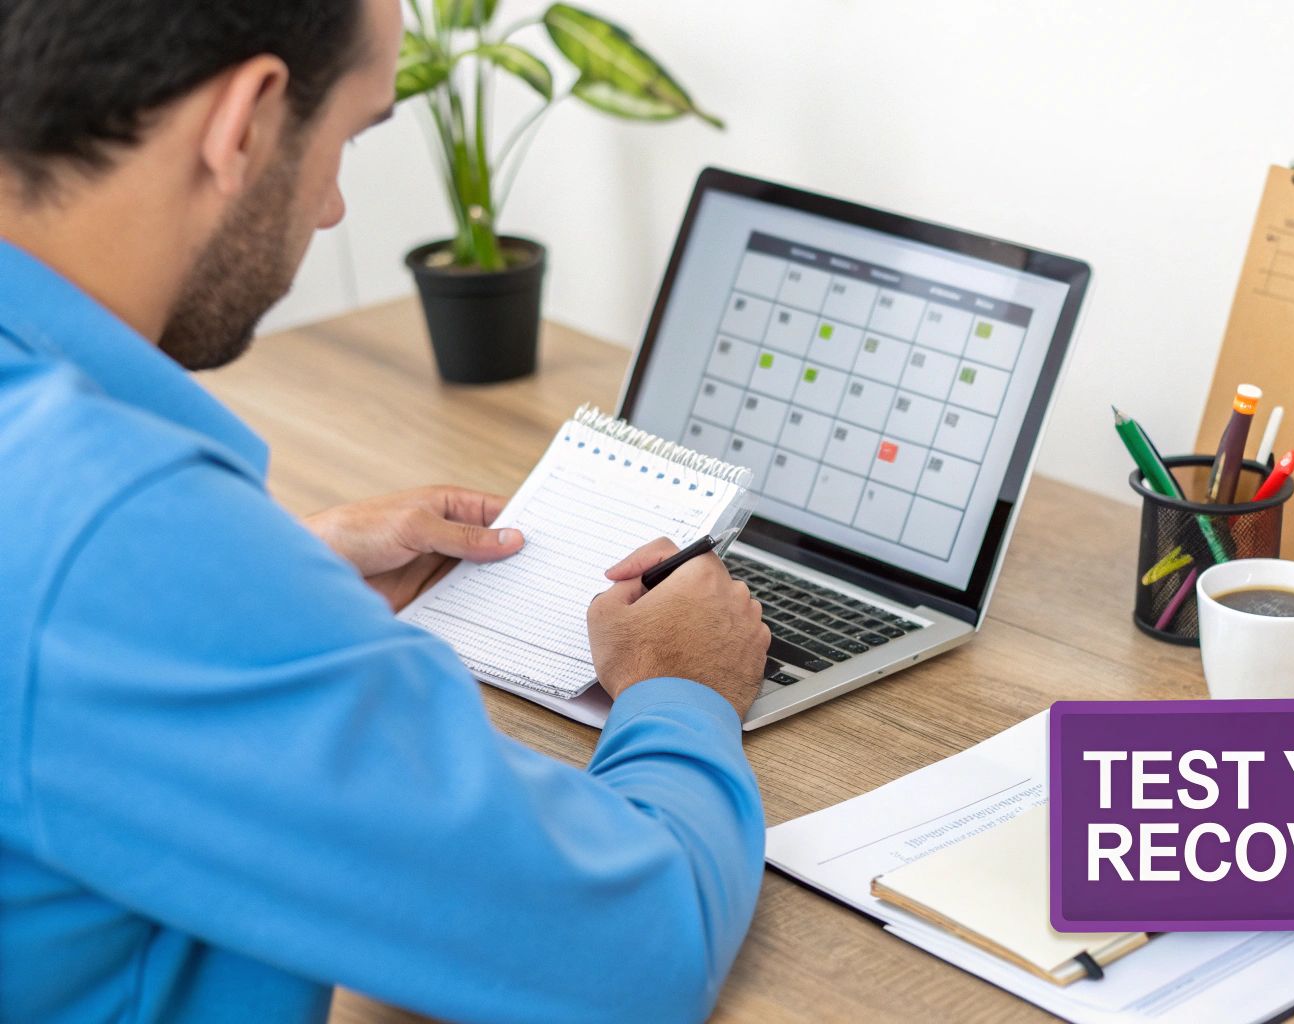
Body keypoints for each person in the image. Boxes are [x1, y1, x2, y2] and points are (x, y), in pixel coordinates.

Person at [0, 2, 772, 1021]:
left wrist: (281, 564)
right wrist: (683, 690)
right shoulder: (116, 536)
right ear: (247, 119)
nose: (330, 208)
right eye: (350, 137)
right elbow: (631, 954)